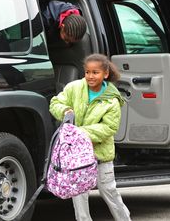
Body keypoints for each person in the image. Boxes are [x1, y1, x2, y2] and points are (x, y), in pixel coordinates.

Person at [49, 53, 131, 221]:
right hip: (77, 157)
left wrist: (80, 133)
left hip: (100, 155)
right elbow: (55, 103)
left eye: (95, 73)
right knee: (79, 194)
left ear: (105, 74)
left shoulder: (112, 100)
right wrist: (64, 110)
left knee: (109, 191)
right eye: (87, 72)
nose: (90, 76)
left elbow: (109, 128)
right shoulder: (74, 87)